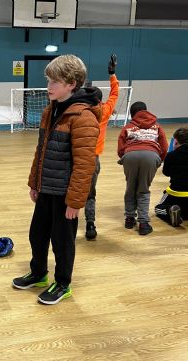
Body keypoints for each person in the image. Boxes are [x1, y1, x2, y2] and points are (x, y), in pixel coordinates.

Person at [12, 54, 101, 305]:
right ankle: (39, 273)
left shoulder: (83, 117)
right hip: (46, 187)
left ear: (71, 84)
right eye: (48, 80)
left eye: (54, 81)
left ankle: (63, 283)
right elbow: (41, 151)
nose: (48, 86)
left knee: (62, 242)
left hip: (65, 194)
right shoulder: (50, 110)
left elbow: (85, 164)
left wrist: (75, 201)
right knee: (37, 234)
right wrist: (34, 183)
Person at [117, 101, 168, 235]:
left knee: (130, 188)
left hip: (130, 156)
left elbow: (120, 148)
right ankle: (144, 224)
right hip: (151, 156)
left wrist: (125, 157)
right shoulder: (157, 126)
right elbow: (164, 147)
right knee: (143, 190)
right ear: (146, 111)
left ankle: (129, 219)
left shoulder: (128, 127)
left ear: (132, 115)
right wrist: (158, 160)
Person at [85, 54, 120, 240]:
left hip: (74, 157)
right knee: (90, 194)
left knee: (69, 191)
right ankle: (90, 224)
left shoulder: (78, 112)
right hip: (93, 159)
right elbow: (115, 93)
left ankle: (64, 221)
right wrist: (112, 73)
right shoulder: (105, 110)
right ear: (100, 100)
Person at [154, 127, 188, 226]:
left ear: (176, 141)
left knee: (158, 208)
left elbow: (166, 173)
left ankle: (170, 211)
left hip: (176, 194)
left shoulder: (171, 155)